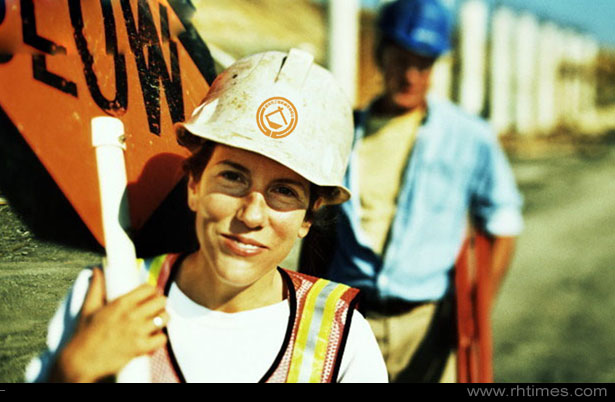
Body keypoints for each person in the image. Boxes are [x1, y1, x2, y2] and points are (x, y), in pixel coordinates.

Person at [25, 49, 388, 383]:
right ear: (194, 184)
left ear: (308, 218)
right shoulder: (107, 297)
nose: (251, 215)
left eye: (284, 191)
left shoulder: (343, 340)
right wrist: (70, 372)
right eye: (233, 177)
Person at [300, 0, 523, 383]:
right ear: (380, 54)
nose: (410, 75)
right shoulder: (342, 132)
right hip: (348, 317)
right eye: (401, 60)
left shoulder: (469, 137)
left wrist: (475, 310)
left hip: (427, 325)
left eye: (423, 64)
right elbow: (319, 228)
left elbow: (503, 221)